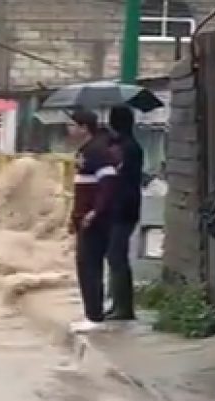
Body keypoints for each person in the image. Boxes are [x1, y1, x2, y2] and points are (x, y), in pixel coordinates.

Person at [67, 109, 119, 333]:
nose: (68, 130)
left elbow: (108, 183)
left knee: (89, 266)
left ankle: (94, 316)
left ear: (83, 128)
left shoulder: (97, 151)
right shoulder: (87, 150)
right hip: (85, 217)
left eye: (72, 125)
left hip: (95, 220)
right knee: (86, 265)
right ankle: (93, 312)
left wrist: (94, 212)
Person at [105, 105, 144, 321]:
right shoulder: (129, 145)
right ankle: (118, 304)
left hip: (123, 208)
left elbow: (119, 175)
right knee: (115, 256)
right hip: (124, 207)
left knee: (116, 256)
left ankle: (124, 307)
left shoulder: (127, 148)